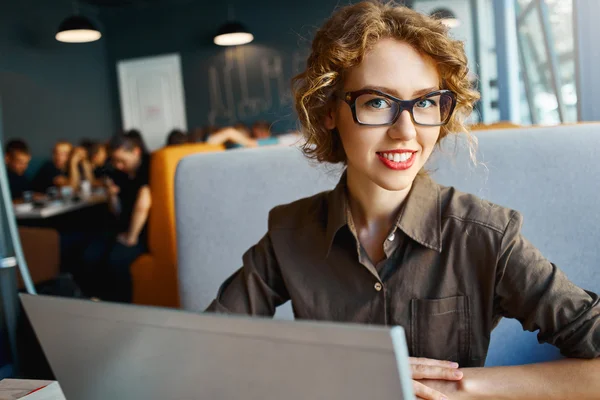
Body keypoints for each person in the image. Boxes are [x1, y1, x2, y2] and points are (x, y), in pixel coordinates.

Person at [206, 2, 599, 399]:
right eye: (377, 102)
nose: (406, 131)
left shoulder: (487, 236)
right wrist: (332, 373)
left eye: (425, 102)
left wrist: (460, 387)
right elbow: (208, 353)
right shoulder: (290, 234)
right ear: (329, 111)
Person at [82, 132, 151, 303]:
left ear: (136, 152)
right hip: (121, 226)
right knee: (90, 254)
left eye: (122, 160)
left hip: (142, 231)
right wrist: (111, 195)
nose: (118, 165)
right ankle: (95, 298)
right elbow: (117, 211)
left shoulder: (149, 168)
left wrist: (131, 237)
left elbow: (143, 203)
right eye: (115, 161)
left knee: (116, 260)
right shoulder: (119, 174)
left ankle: (119, 305)